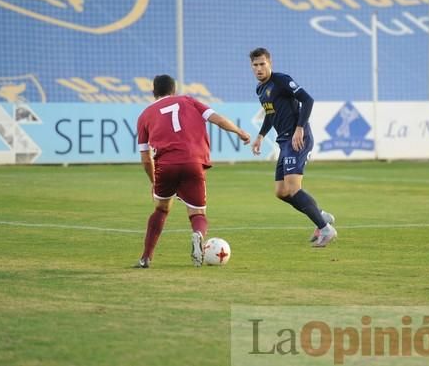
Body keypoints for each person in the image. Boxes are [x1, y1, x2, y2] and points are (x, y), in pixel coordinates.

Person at [135, 74, 250, 268]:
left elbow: (146, 158)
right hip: (193, 162)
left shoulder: (145, 115)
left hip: (166, 165)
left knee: (162, 208)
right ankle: (198, 234)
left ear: (153, 92)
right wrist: (239, 131)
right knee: (198, 213)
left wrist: (154, 180)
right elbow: (218, 119)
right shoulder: (188, 101)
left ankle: (146, 257)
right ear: (174, 91)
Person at [249, 47, 337, 247]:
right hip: (284, 141)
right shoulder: (260, 89)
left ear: (270, 63)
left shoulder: (281, 80)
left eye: (262, 64)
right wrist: (261, 136)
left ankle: (325, 230)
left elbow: (307, 100)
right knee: (281, 191)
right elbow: (271, 115)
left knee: (293, 188)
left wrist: (299, 128)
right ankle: (320, 215)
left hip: (297, 139)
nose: (259, 68)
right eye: (255, 65)